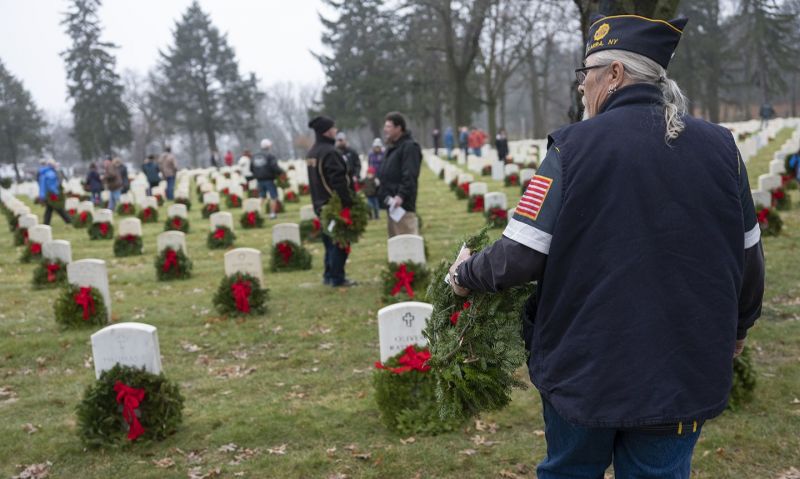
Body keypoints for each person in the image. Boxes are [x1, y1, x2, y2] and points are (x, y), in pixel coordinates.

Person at [447, 14, 765, 479]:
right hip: (683, 365)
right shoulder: (721, 148)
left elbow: (519, 256)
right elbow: (748, 256)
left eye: (586, 74)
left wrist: (464, 274)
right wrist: (738, 327)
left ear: (614, 75)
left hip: (586, 367)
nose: (581, 87)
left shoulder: (572, 148)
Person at [307, 115, 356, 287]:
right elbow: (338, 181)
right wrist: (347, 201)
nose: (336, 131)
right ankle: (337, 277)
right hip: (334, 206)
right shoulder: (330, 152)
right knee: (339, 242)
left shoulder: (313, 151)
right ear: (327, 131)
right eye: (334, 128)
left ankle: (328, 275)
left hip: (320, 205)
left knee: (329, 242)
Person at [377, 111, 422, 237]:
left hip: (402, 205)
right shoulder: (392, 147)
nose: (385, 130)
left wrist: (401, 195)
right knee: (395, 238)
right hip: (391, 203)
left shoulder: (409, 147)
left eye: (388, 126)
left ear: (399, 128)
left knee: (406, 237)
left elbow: (410, 174)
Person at [251, 139, 283, 219]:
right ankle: (272, 214)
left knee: (262, 197)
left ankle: (255, 213)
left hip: (259, 180)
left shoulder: (255, 156)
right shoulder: (270, 155)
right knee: (273, 197)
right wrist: (281, 172)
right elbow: (274, 167)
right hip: (269, 179)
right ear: (269, 146)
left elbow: (251, 168)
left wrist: (257, 174)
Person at [38, 159, 71, 225]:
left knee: (49, 209)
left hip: (45, 194)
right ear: (52, 165)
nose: (55, 165)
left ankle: (46, 223)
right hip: (51, 194)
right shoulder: (50, 173)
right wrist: (56, 192)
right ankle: (68, 220)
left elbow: (42, 185)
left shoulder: (44, 172)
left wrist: (42, 195)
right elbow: (51, 185)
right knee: (59, 208)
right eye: (54, 164)